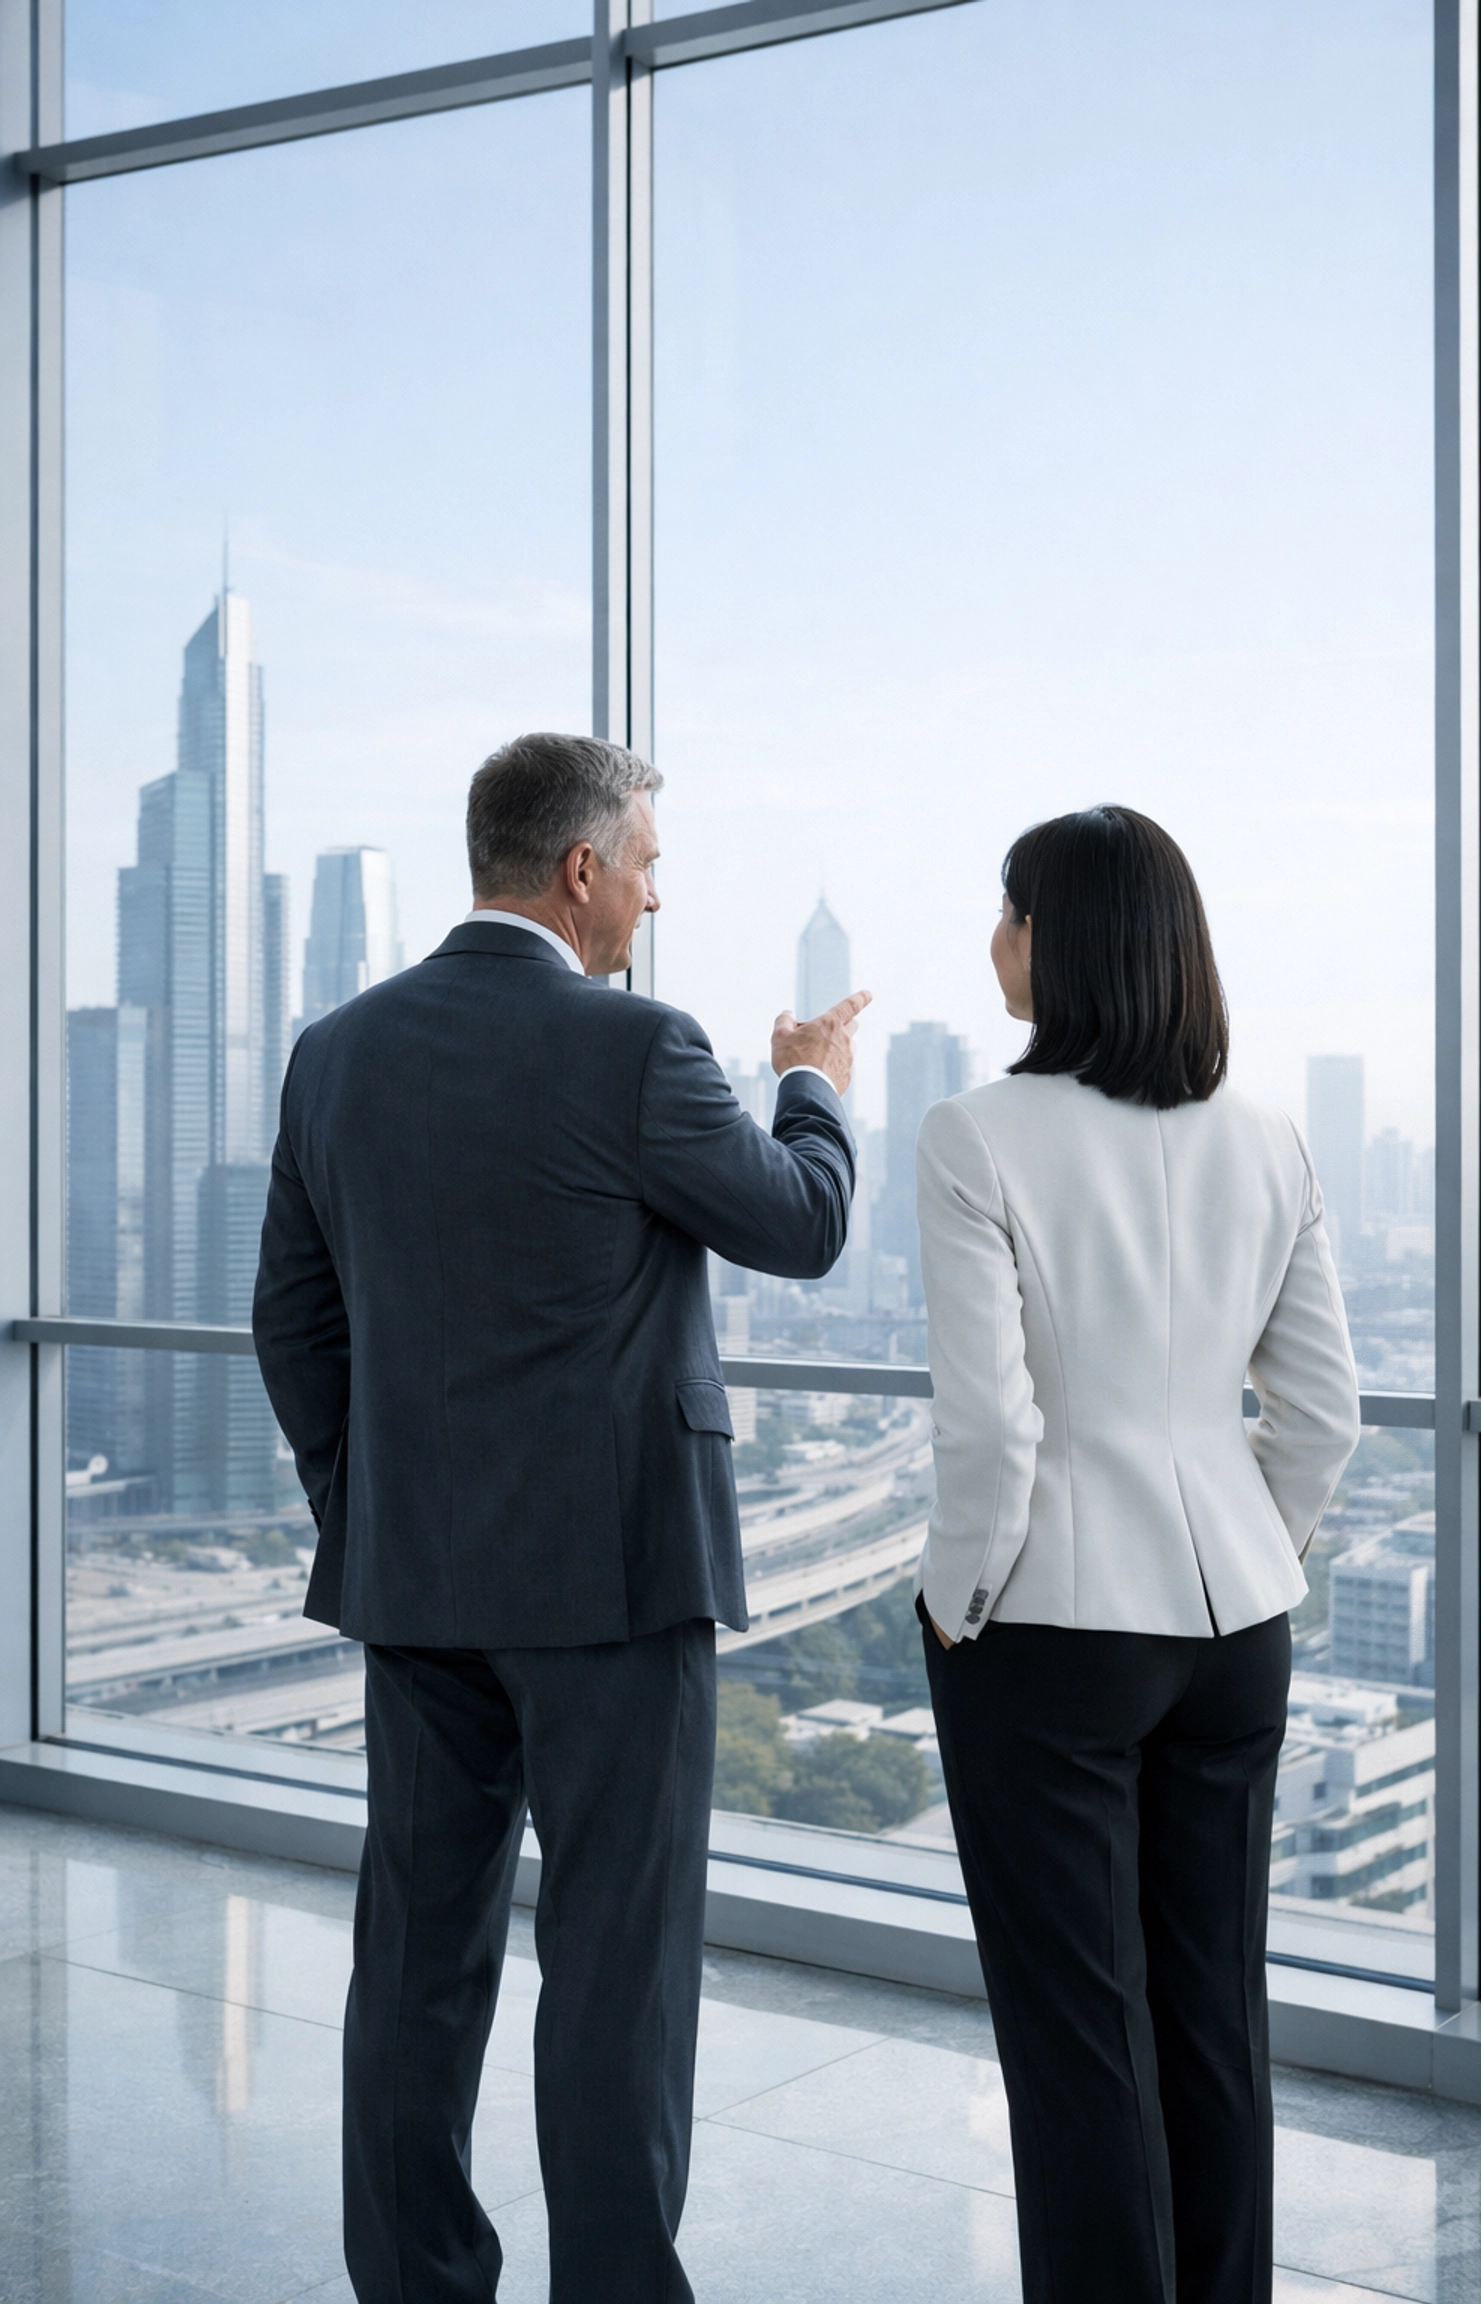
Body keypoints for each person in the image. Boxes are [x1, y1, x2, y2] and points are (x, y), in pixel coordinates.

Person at [252, 732, 867, 2304]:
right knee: (613, 1976)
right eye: (649, 866)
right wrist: (810, 1083)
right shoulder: (636, 1049)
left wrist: (369, 1501)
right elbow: (800, 1223)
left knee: (416, 1961)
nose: (657, 900)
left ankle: (416, 2283)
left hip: (419, 1586)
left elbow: (292, 1324)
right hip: (614, 1587)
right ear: (581, 869)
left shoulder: (336, 1052)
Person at [915, 805, 1359, 2304]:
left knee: (1079, 2042)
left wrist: (959, 1600)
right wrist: (1250, 1550)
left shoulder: (975, 1133)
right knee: (1212, 2020)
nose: (996, 937)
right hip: (1238, 1625)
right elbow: (1325, 1414)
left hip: (1047, 1629)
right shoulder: (1270, 1137)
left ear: (1069, 942)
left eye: (1012, 911)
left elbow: (991, 1435)